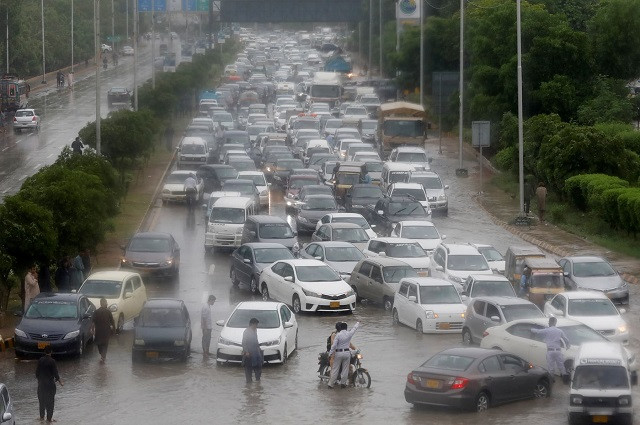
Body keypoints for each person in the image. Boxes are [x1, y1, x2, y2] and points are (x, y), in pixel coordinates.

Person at [531, 316, 570, 380]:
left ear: (550, 322)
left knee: (550, 367)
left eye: (549, 322)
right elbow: (566, 339)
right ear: (555, 323)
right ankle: (565, 380)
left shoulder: (547, 330)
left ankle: (552, 380)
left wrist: (531, 329)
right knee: (561, 366)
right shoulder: (560, 331)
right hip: (558, 351)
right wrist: (568, 345)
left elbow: (538, 331)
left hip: (550, 351)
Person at [328, 321, 360, 389]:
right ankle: (343, 384)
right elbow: (354, 329)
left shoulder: (338, 335)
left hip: (338, 354)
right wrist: (357, 322)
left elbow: (334, 346)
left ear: (340, 328)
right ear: (346, 328)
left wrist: (330, 354)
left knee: (335, 369)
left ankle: (330, 385)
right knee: (345, 369)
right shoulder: (349, 334)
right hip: (347, 353)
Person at [35, 345, 63, 423]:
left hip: (41, 385)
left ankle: (41, 417)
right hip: (50, 385)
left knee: (41, 401)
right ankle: (49, 419)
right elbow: (55, 373)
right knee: (50, 403)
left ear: (44, 352)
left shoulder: (40, 360)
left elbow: (37, 373)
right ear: (51, 352)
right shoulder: (52, 361)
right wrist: (60, 381)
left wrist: (39, 381)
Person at [92, 297, 115, 363]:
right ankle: (103, 355)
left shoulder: (97, 311)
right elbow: (112, 321)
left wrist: (92, 330)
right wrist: (114, 331)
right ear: (103, 303)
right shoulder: (107, 311)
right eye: (105, 302)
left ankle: (102, 356)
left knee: (100, 344)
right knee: (104, 344)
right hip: (105, 331)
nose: (106, 303)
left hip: (99, 331)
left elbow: (93, 322)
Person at [242, 318, 263, 383]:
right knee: (248, 369)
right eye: (256, 324)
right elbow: (244, 342)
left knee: (258, 367)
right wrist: (246, 351)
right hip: (249, 353)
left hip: (256, 352)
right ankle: (249, 383)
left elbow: (256, 340)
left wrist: (259, 348)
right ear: (252, 324)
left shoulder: (255, 330)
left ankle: (257, 381)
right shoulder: (246, 331)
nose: (256, 326)